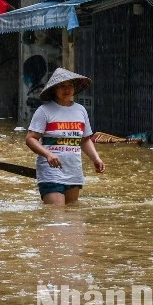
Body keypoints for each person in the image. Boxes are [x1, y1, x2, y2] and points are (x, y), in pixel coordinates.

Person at [25, 68, 105, 205]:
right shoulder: (44, 111)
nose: (67, 89)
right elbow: (30, 139)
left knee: (72, 217)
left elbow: (85, 140)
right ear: (54, 89)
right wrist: (48, 154)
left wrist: (96, 158)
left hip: (73, 171)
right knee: (57, 217)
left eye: (70, 85)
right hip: (51, 173)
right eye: (62, 86)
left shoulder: (80, 110)